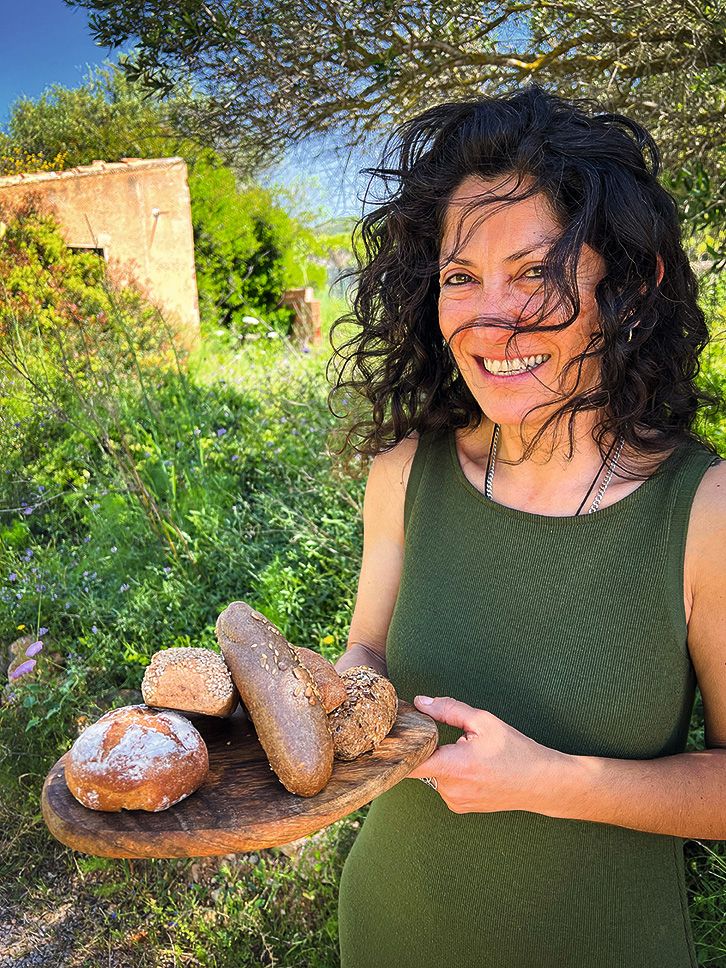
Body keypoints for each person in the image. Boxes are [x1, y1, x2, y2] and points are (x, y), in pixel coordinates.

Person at [329, 83, 726, 968]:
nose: (492, 318)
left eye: (539, 273)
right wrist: (317, 714)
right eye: (461, 278)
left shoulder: (705, 514)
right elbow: (368, 654)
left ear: (627, 287)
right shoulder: (404, 476)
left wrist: (549, 783)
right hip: (389, 930)